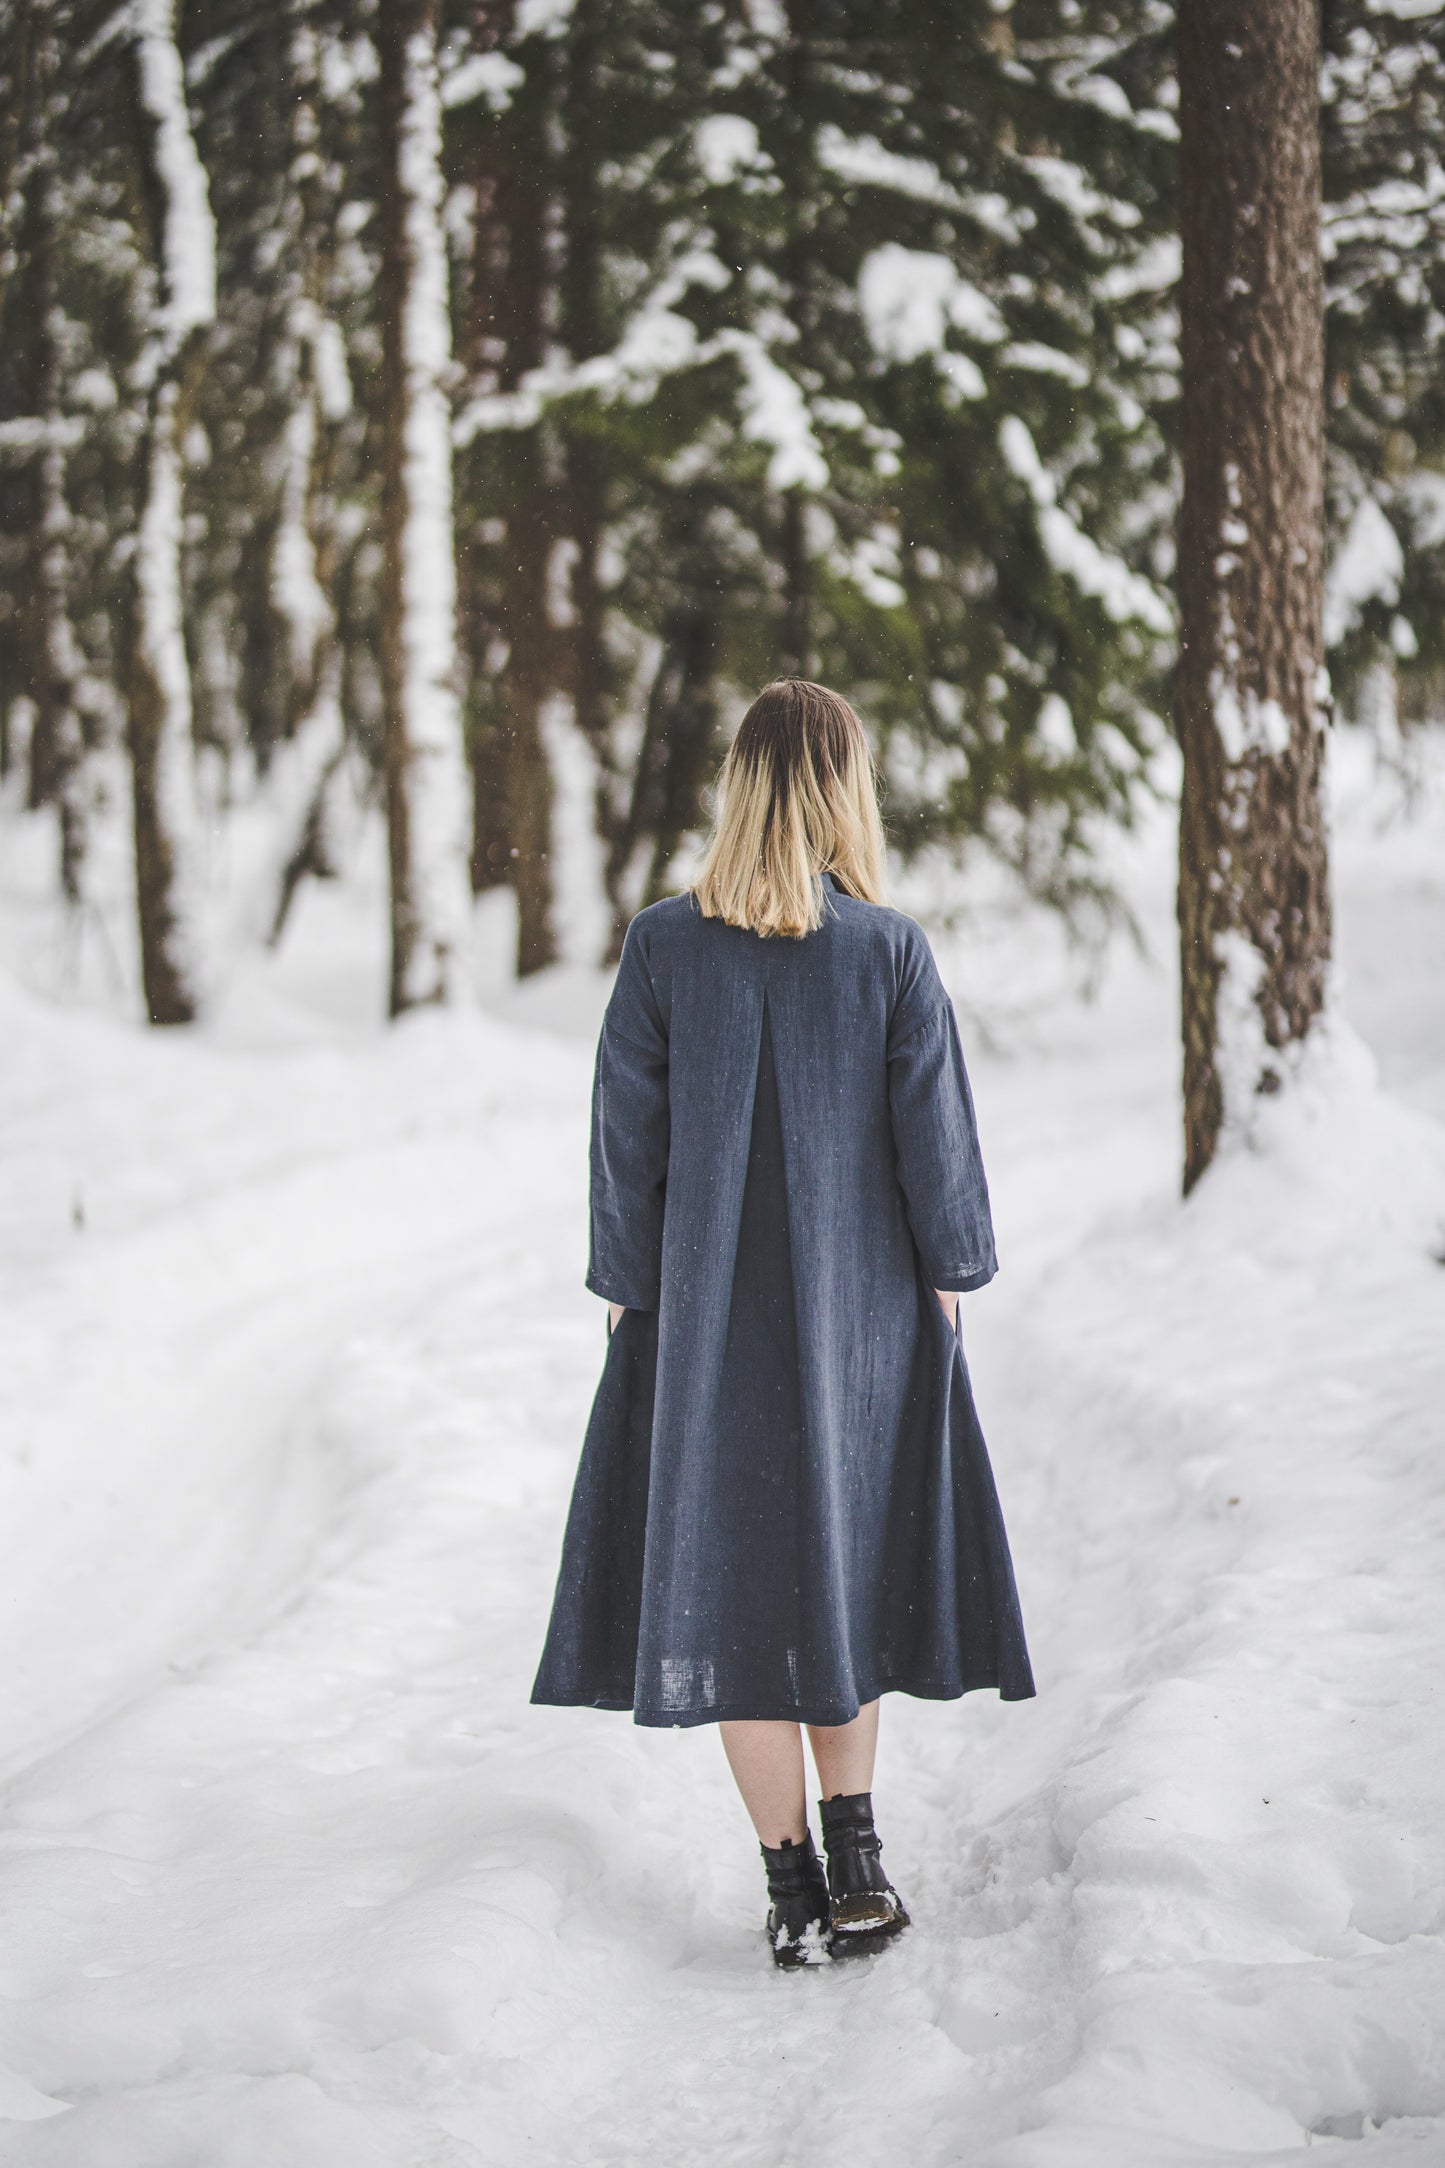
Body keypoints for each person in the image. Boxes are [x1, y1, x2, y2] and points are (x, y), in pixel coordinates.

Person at [533, 678, 1034, 1968]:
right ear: (844, 789)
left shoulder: (660, 947)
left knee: (731, 1589)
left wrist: (632, 1296)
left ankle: (790, 1880)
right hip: (859, 1326)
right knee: (844, 1564)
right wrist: (950, 1273)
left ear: (739, 789)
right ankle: (860, 1854)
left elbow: (621, 1146)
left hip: (698, 1328)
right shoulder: (888, 951)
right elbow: (939, 1149)